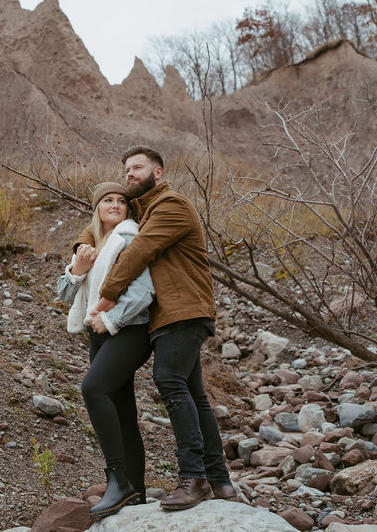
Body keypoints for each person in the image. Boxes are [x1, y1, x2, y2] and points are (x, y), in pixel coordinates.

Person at [86, 146, 238, 510]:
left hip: (182, 311)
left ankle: (194, 478)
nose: (129, 174)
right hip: (168, 314)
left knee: (168, 379)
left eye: (137, 168)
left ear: (158, 172)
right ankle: (220, 481)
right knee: (194, 394)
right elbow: (104, 217)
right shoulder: (144, 208)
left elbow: (140, 251)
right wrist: (82, 242)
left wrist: (107, 297)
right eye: (126, 169)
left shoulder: (171, 206)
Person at [58, 181, 155, 519]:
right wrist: (78, 270)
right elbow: (64, 294)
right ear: (97, 208)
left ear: (129, 209)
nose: (115, 205)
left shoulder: (129, 237)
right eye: (107, 201)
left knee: (93, 388)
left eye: (121, 201)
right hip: (99, 333)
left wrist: (110, 319)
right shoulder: (91, 246)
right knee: (123, 410)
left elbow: (144, 291)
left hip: (130, 329)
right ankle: (137, 491)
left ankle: (117, 479)